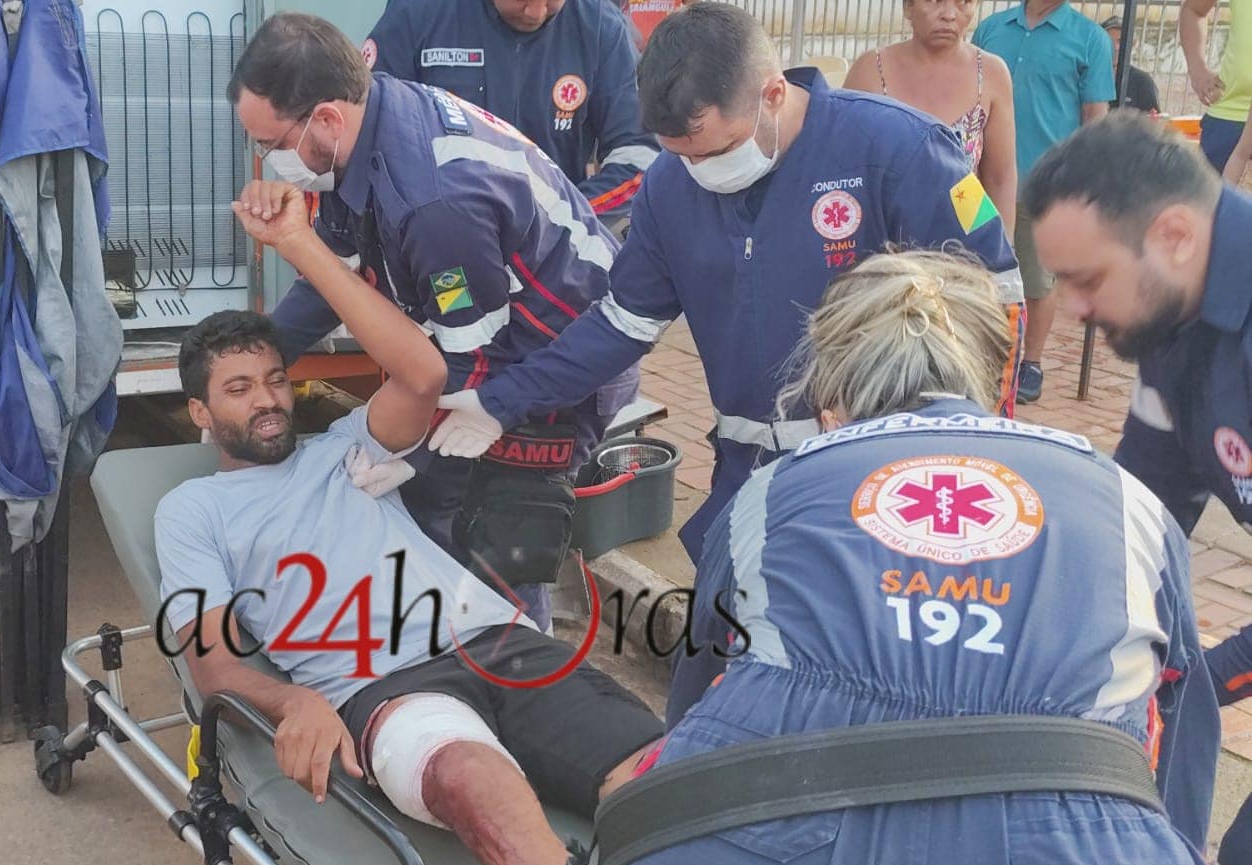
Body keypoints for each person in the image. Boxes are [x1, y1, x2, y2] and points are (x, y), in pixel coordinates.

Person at [600, 250, 1221, 865]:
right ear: (989, 376)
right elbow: (1180, 732)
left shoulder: (771, 491)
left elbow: (699, 694)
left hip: (765, 833)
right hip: (1077, 848)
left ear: (831, 394)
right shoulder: (1127, 503)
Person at [158, 176, 663, 865]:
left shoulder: (346, 447)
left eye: (274, 379)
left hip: (494, 638)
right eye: (238, 389)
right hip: (381, 684)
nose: (266, 400)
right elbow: (211, 666)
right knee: (470, 776)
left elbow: (423, 374)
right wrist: (295, 702)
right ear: (201, 413)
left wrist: (299, 243)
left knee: (656, 773)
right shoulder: (192, 510)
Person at [429, 2, 1023, 565]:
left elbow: (995, 301)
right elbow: (621, 324)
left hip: (879, 477)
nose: (703, 172)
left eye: (720, 150)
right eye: (683, 155)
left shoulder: (902, 150)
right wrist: (499, 403)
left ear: (773, 94)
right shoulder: (670, 187)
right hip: (748, 474)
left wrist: (978, 455)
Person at [236, 13, 639, 631]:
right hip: (492, 337)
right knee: (434, 510)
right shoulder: (361, 133)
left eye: (271, 145)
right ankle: (450, 642)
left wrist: (411, 449)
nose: (269, 162)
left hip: (560, 362)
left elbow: (472, 358)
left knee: (504, 538)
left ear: (326, 119)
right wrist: (254, 360)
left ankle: (523, 662)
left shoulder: (433, 201)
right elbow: (333, 276)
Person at [1025, 110, 1252, 865]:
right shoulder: (1173, 319)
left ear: (1174, 235)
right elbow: (1137, 514)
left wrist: (1192, 679)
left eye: (1086, 279)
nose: (1072, 308)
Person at [364, 0, 660, 224]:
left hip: (558, 249)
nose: (536, 12)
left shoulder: (600, 26)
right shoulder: (417, 12)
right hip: (436, 234)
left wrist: (565, 221)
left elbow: (639, 156)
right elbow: (368, 136)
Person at [973, 0, 1112, 405]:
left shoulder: (1090, 39)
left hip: (1043, 183)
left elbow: (1095, 116)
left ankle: (1029, 363)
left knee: (1036, 280)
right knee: (976, 271)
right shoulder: (991, 28)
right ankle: (978, 356)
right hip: (977, 182)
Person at [845, 0, 1018, 238]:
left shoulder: (990, 73)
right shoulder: (871, 71)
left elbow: (1000, 178)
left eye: (964, 2)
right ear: (908, 7)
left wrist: (1003, 248)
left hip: (965, 243)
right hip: (885, 240)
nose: (949, 14)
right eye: (934, 1)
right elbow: (844, 170)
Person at [1182, 0, 1252, 173]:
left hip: (1230, 119)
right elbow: (1193, 10)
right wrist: (1197, 68)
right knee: (1208, 190)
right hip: (1229, 115)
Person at [1101, 16, 1161, 114]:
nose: (1115, 47)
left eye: (1121, 41)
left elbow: (1153, 119)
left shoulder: (1142, 81)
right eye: (1109, 41)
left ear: (1132, 45)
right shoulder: (1088, 77)